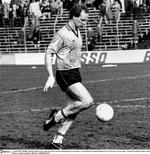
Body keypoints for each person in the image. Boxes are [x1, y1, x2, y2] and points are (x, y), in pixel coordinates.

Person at [43, 4, 94, 149]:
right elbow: (49, 53)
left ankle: (57, 140)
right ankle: (56, 118)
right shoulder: (62, 34)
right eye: (83, 20)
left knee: (74, 107)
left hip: (75, 72)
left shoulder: (77, 30)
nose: (85, 23)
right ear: (74, 17)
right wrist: (50, 76)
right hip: (64, 73)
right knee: (87, 101)